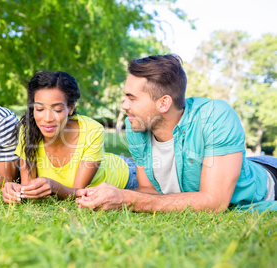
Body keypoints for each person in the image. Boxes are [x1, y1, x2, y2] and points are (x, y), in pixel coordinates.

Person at [76, 54, 277, 212]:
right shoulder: (137, 125)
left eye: (132, 98)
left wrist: (127, 199)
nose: (123, 105)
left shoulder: (216, 116)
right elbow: (148, 190)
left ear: (163, 103)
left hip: (270, 179)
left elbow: (214, 203)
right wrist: (108, 196)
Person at [1, 71, 138, 203]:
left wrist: (54, 188)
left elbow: (79, 193)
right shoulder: (28, 129)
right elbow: (29, 187)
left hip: (125, 175)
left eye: (57, 109)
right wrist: (16, 190)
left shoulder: (93, 131)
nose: (48, 118)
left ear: (71, 108)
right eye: (40, 109)